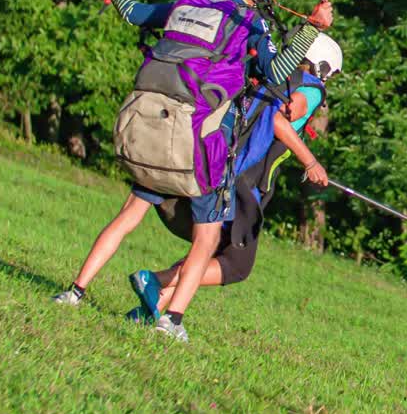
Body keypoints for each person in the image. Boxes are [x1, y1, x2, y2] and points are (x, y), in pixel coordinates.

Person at [52, 0, 331, 343]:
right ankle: (173, 321)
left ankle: (75, 291)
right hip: (199, 147)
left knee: (127, 216)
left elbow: (132, 11)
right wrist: (311, 29)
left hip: (149, 128)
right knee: (208, 236)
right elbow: (276, 71)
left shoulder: (186, 5)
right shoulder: (251, 25)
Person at [124, 36, 342, 328]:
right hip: (241, 181)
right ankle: (156, 282)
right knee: (237, 266)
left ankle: (151, 309)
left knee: (213, 248)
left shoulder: (275, 75)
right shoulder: (312, 90)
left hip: (220, 163)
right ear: (324, 68)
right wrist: (310, 161)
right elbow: (279, 120)